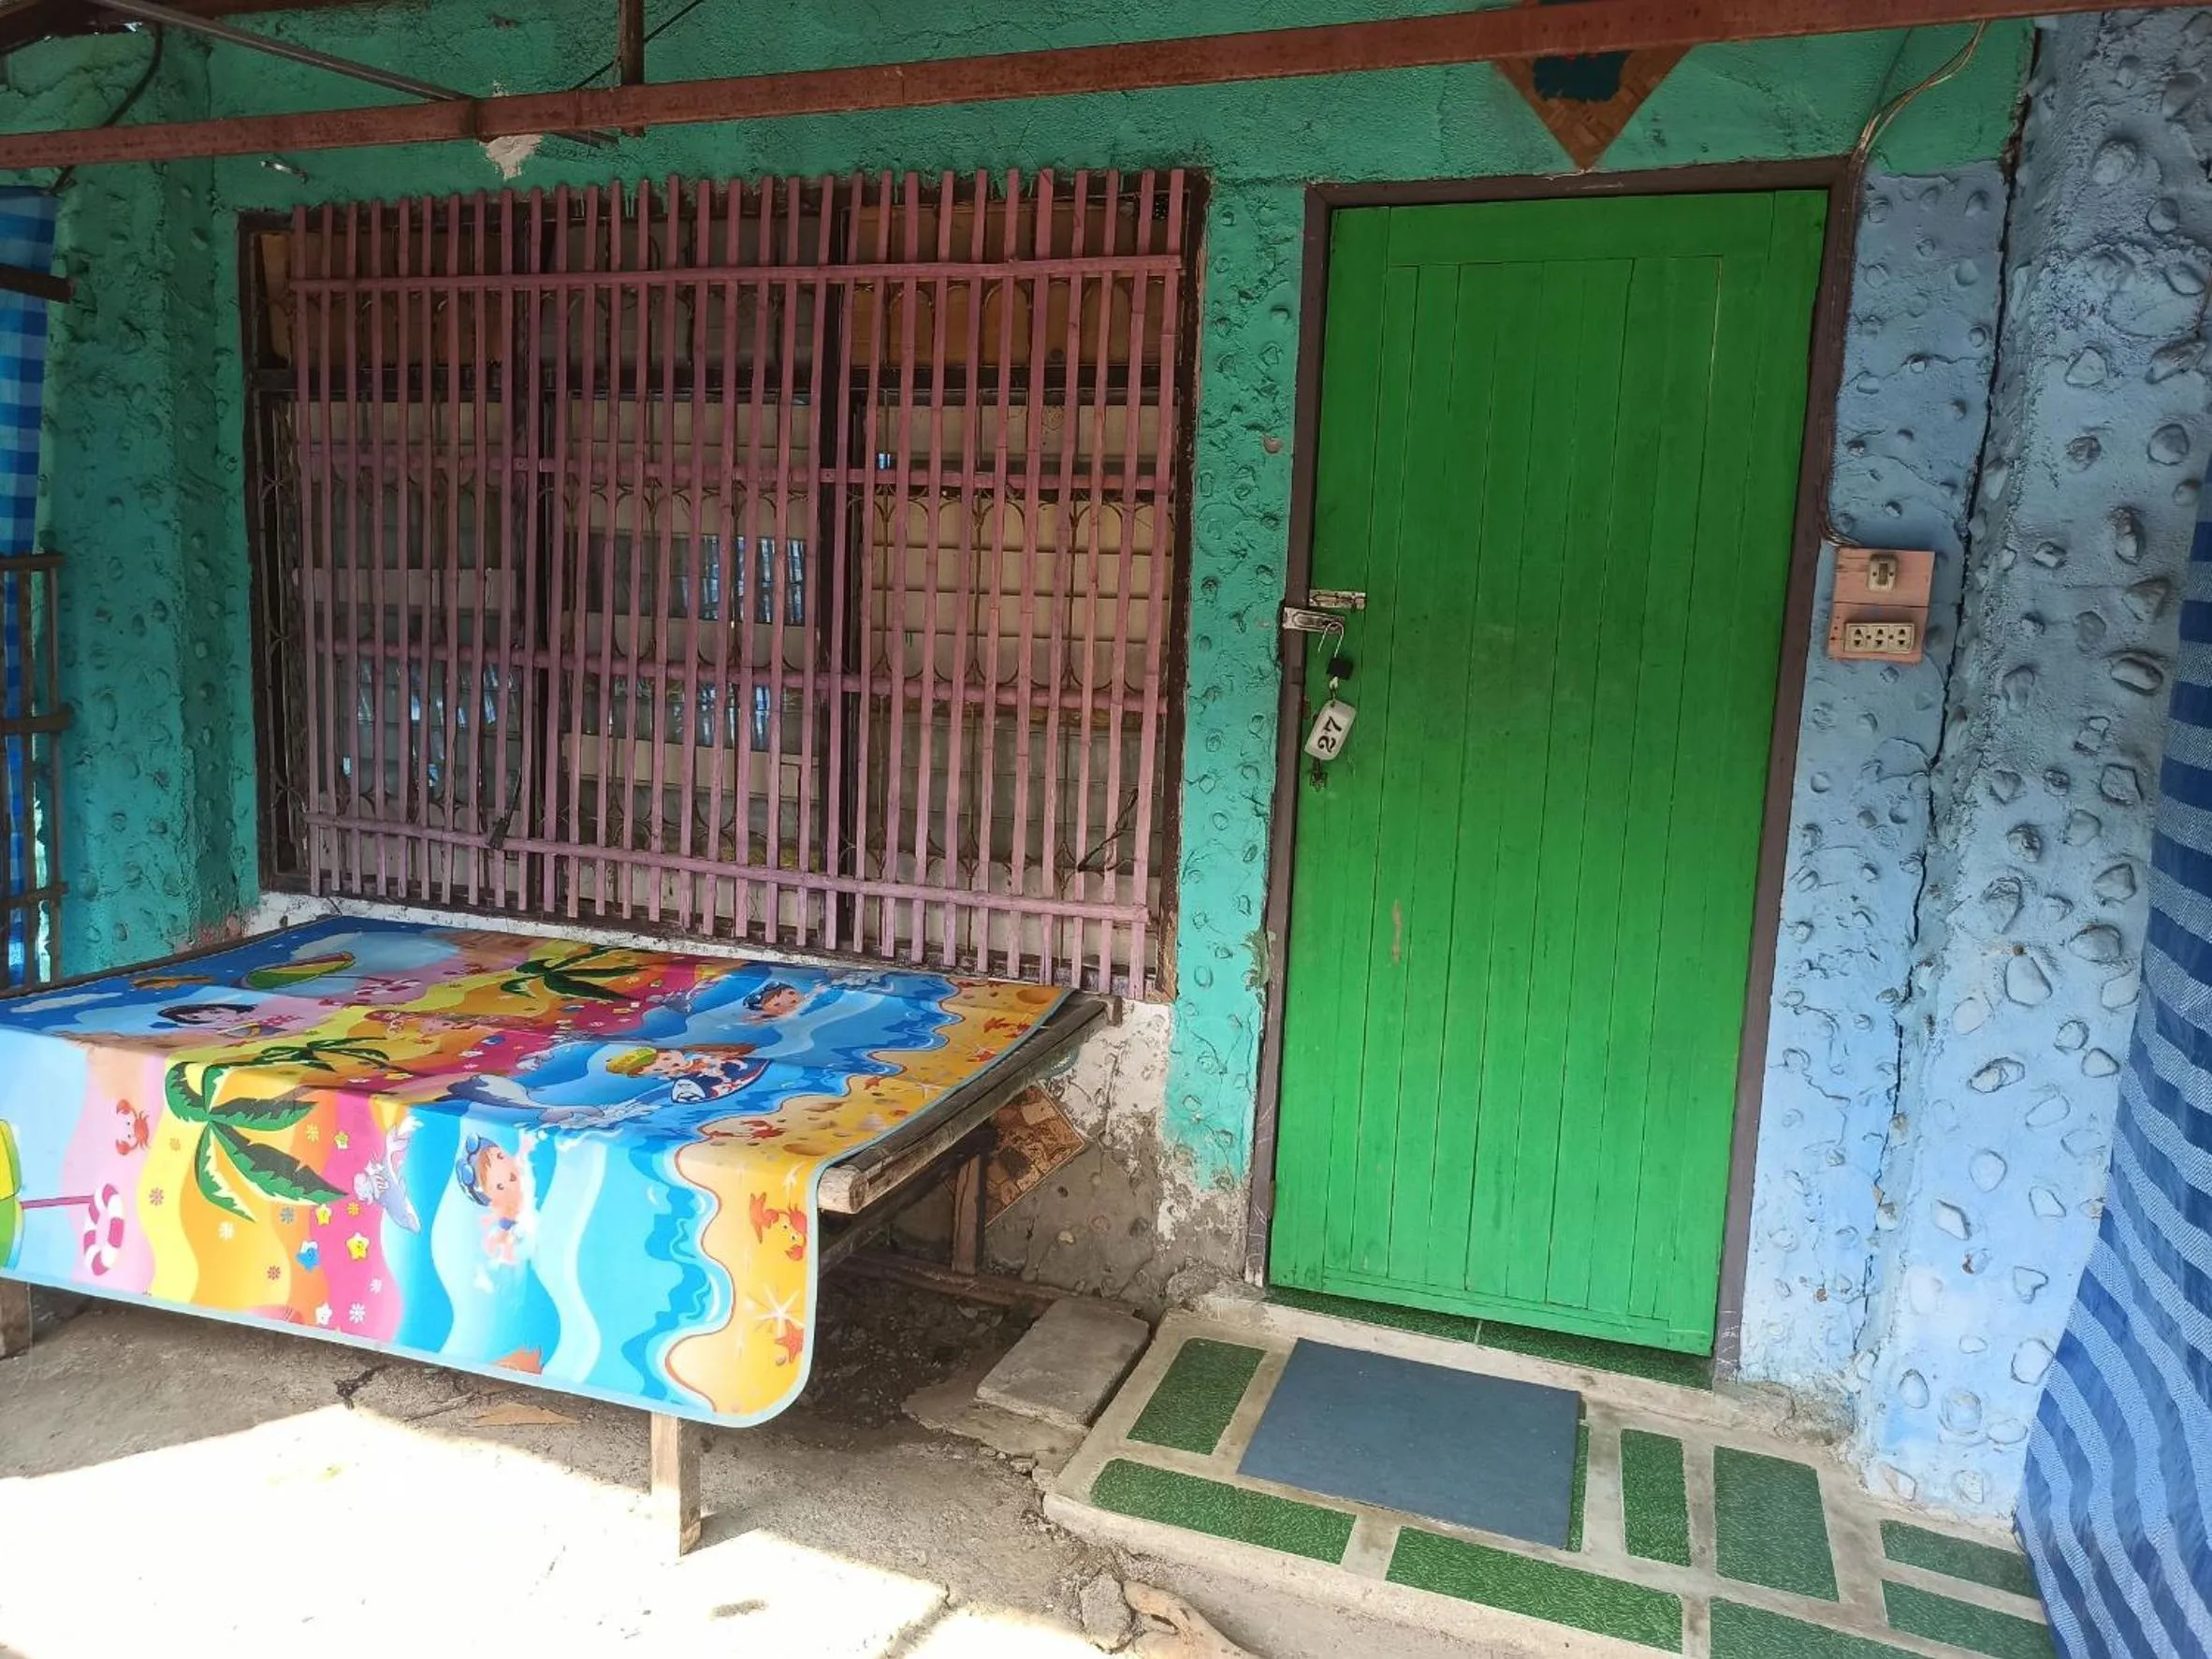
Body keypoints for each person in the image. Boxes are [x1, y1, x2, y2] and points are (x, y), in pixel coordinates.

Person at [603, 1042, 766, 1105]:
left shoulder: (700, 1056)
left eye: (667, 1058)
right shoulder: (673, 1074)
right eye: (659, 1069)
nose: (669, 1065)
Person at [455, 1133, 530, 1263]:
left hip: (514, 1218)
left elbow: (520, 1160)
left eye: (500, 1156)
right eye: (500, 1186)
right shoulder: (506, 1208)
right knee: (505, 1234)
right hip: (510, 1220)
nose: (508, 1173)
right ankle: (501, 1249)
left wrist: (524, 1148)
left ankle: (499, 1247)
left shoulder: (519, 1171)